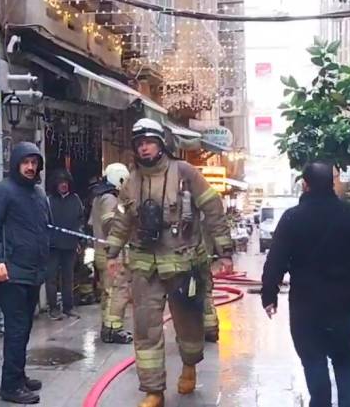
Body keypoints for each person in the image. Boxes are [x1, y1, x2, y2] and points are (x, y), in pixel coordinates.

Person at [105, 118, 234, 407]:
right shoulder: (132, 181)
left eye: (149, 142)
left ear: (161, 144)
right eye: (139, 144)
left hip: (183, 266)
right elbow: (122, 221)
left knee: (189, 325)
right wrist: (112, 253)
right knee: (145, 328)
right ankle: (154, 391)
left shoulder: (185, 173)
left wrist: (225, 251)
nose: (144, 148)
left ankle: (189, 366)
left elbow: (212, 208)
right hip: (145, 269)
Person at [261, 161, 350, 407]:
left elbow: (276, 259)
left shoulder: (292, 218)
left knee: (313, 358)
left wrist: (269, 296)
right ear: (332, 184)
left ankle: (321, 402)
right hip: (344, 301)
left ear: (305, 185)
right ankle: (349, 403)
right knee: (343, 356)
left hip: (306, 304)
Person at [0, 142, 49, 405]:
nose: (31, 167)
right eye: (26, 162)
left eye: (34, 162)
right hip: (10, 272)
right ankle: (10, 386)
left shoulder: (38, 193)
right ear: (16, 163)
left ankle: (18, 375)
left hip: (33, 272)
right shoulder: (3, 191)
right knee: (16, 328)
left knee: (24, 328)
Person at [90, 163, 133, 344]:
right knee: (117, 291)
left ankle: (107, 327)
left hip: (102, 252)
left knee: (108, 292)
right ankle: (114, 330)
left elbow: (93, 223)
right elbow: (110, 225)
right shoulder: (109, 199)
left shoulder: (99, 197)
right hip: (112, 255)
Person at [46, 169, 84, 320]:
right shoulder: (49, 201)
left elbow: (80, 220)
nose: (63, 186)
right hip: (53, 246)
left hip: (70, 245)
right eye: (61, 183)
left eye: (66, 183)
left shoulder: (75, 199)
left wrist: (79, 240)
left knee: (68, 278)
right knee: (51, 278)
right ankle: (53, 308)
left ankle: (68, 307)